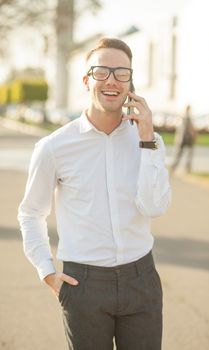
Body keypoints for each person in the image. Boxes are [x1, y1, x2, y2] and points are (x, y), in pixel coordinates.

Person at [18, 37, 171, 350]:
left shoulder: (150, 140)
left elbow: (154, 206)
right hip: (84, 284)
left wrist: (146, 141)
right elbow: (32, 212)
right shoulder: (54, 147)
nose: (112, 80)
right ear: (86, 80)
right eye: (102, 71)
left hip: (141, 279)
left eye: (122, 73)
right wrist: (47, 272)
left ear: (131, 83)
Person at [171, 104, 197, 173]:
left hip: (182, 138)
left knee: (179, 154)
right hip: (187, 139)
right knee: (188, 154)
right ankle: (187, 168)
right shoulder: (187, 117)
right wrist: (194, 135)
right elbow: (190, 129)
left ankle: (174, 167)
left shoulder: (182, 117)